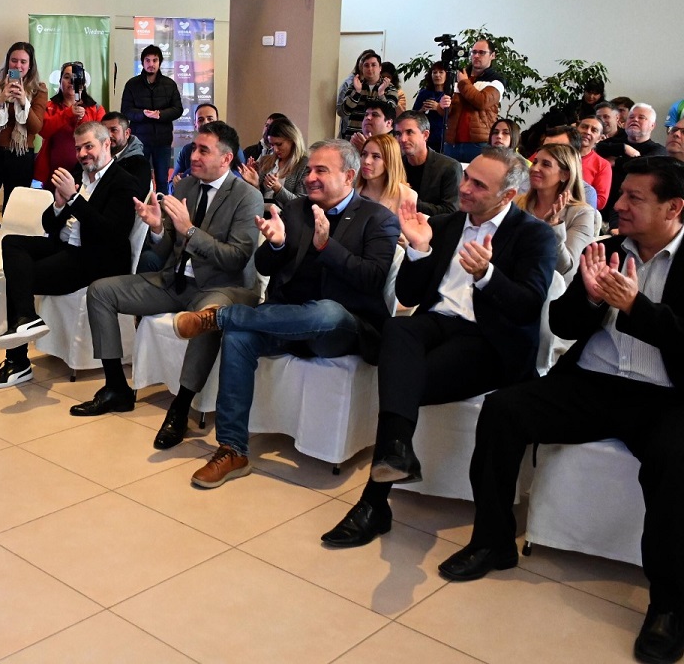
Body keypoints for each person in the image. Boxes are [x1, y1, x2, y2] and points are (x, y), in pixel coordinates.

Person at [438, 156, 684, 664]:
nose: (618, 205)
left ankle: (668, 603)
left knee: (675, 462)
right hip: (593, 382)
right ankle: (493, 540)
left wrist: (639, 309)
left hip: (664, 396)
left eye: (634, 198)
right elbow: (565, 324)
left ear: (674, 207)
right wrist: (594, 300)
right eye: (621, 195)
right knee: (504, 410)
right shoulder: (607, 250)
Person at [321, 146, 556, 548]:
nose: (465, 187)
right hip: (437, 323)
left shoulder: (534, 235)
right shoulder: (447, 225)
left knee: (402, 380)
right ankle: (395, 455)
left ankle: (374, 502)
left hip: (491, 341)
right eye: (467, 177)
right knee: (397, 330)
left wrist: (486, 275)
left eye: (479, 185)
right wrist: (418, 249)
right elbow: (410, 295)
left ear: (507, 195)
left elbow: (527, 304)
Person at [183, 140, 401, 478]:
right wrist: (277, 243)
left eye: (321, 171)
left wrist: (326, 246)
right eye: (309, 169)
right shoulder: (297, 209)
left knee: (327, 311)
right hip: (285, 318)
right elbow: (265, 266)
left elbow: (371, 279)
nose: (310, 177)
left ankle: (222, 316)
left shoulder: (378, 219)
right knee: (239, 338)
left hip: (342, 328)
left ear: (349, 176)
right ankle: (232, 449)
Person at [81, 121, 263, 429]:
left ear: (227, 158)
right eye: (194, 148)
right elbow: (167, 247)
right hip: (175, 280)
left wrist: (190, 231)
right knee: (100, 291)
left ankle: (180, 408)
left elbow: (236, 259)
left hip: (223, 287)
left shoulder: (247, 197)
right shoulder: (185, 186)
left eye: (204, 151)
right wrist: (156, 228)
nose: (193, 156)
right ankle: (116, 388)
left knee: (208, 316)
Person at [0, 121, 141, 388]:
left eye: (88, 146)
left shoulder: (124, 182)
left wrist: (74, 199)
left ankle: (18, 361)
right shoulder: (80, 175)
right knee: (12, 244)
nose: (82, 154)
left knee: (20, 276)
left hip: (98, 259)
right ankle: (26, 319)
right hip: (70, 248)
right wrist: (58, 204)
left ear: (106, 144)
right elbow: (49, 225)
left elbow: (110, 233)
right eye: (79, 148)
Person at [516, 143, 599, 278]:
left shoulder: (582, 213)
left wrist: (554, 226)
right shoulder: (517, 202)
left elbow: (564, 268)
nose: (535, 168)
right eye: (535, 162)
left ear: (565, 175)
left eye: (546, 164)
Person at [0, 42, 48, 210]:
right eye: (14, 60)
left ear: (30, 65)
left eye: (23, 62)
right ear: (7, 62)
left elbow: (35, 128)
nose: (18, 65)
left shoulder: (38, 90)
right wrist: (2, 98)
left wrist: (23, 101)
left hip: (22, 155)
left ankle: (10, 237)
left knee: (15, 209)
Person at [121, 44, 183, 191]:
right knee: (139, 179)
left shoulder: (170, 84)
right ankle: (139, 211)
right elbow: (126, 111)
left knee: (162, 180)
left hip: (163, 141)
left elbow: (178, 109)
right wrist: (142, 114)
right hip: (139, 141)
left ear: (159, 63)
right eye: (147, 60)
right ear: (142, 63)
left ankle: (161, 210)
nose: (151, 64)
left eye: (154, 60)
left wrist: (160, 114)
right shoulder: (132, 84)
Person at [35, 62, 105, 187]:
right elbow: (44, 130)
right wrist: (68, 113)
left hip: (88, 173)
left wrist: (82, 117)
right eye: (67, 77)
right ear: (60, 80)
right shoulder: (49, 106)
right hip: (53, 173)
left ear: (83, 83)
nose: (72, 81)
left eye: (76, 78)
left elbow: (99, 139)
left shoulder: (96, 109)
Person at [598, 103, 668, 226]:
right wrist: (623, 148)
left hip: (629, 214)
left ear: (652, 125)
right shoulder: (613, 143)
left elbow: (644, 164)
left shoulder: (658, 150)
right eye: (631, 117)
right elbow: (596, 148)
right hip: (599, 209)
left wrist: (616, 161)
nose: (635, 120)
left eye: (641, 117)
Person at [443, 39, 505, 163]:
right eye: (474, 52)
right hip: (452, 143)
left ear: (492, 55)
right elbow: (448, 111)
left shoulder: (496, 80)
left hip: (479, 145)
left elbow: (482, 102)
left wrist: (464, 83)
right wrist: (442, 105)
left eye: (482, 52)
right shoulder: (460, 76)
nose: (476, 56)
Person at [396, 110, 460, 216]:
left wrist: (410, 200)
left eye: (409, 132)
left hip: (434, 229)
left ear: (425, 135)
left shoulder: (449, 167)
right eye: (398, 134)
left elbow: (450, 211)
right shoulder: (396, 165)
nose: (402, 139)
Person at [239, 114, 308, 206]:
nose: (275, 149)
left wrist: (278, 188)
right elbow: (256, 198)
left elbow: (301, 203)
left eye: (279, 144)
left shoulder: (304, 165)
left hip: (286, 217)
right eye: (272, 145)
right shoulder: (265, 161)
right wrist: (254, 183)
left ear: (293, 140)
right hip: (261, 213)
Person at [338, 49, 399, 142]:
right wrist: (357, 93)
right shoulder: (354, 85)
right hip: (354, 138)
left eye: (373, 65)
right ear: (362, 69)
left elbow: (390, 114)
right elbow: (342, 112)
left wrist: (381, 93)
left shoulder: (390, 88)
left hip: (379, 140)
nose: (370, 69)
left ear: (380, 68)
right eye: (366, 65)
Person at [357, 132, 417, 218]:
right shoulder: (351, 188)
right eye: (364, 154)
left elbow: (405, 231)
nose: (366, 161)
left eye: (376, 156)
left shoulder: (406, 195)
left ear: (390, 161)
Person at [101, 111, 152, 194]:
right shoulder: (94, 157)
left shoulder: (140, 163)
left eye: (114, 130)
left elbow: (136, 196)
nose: (109, 135)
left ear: (127, 133)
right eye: (104, 131)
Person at [413, 62, 452, 153]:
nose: (437, 75)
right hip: (426, 136)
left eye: (441, 72)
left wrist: (438, 107)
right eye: (434, 72)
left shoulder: (451, 94)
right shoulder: (424, 93)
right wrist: (422, 110)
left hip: (444, 137)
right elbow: (413, 115)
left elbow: (452, 115)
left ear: (447, 75)